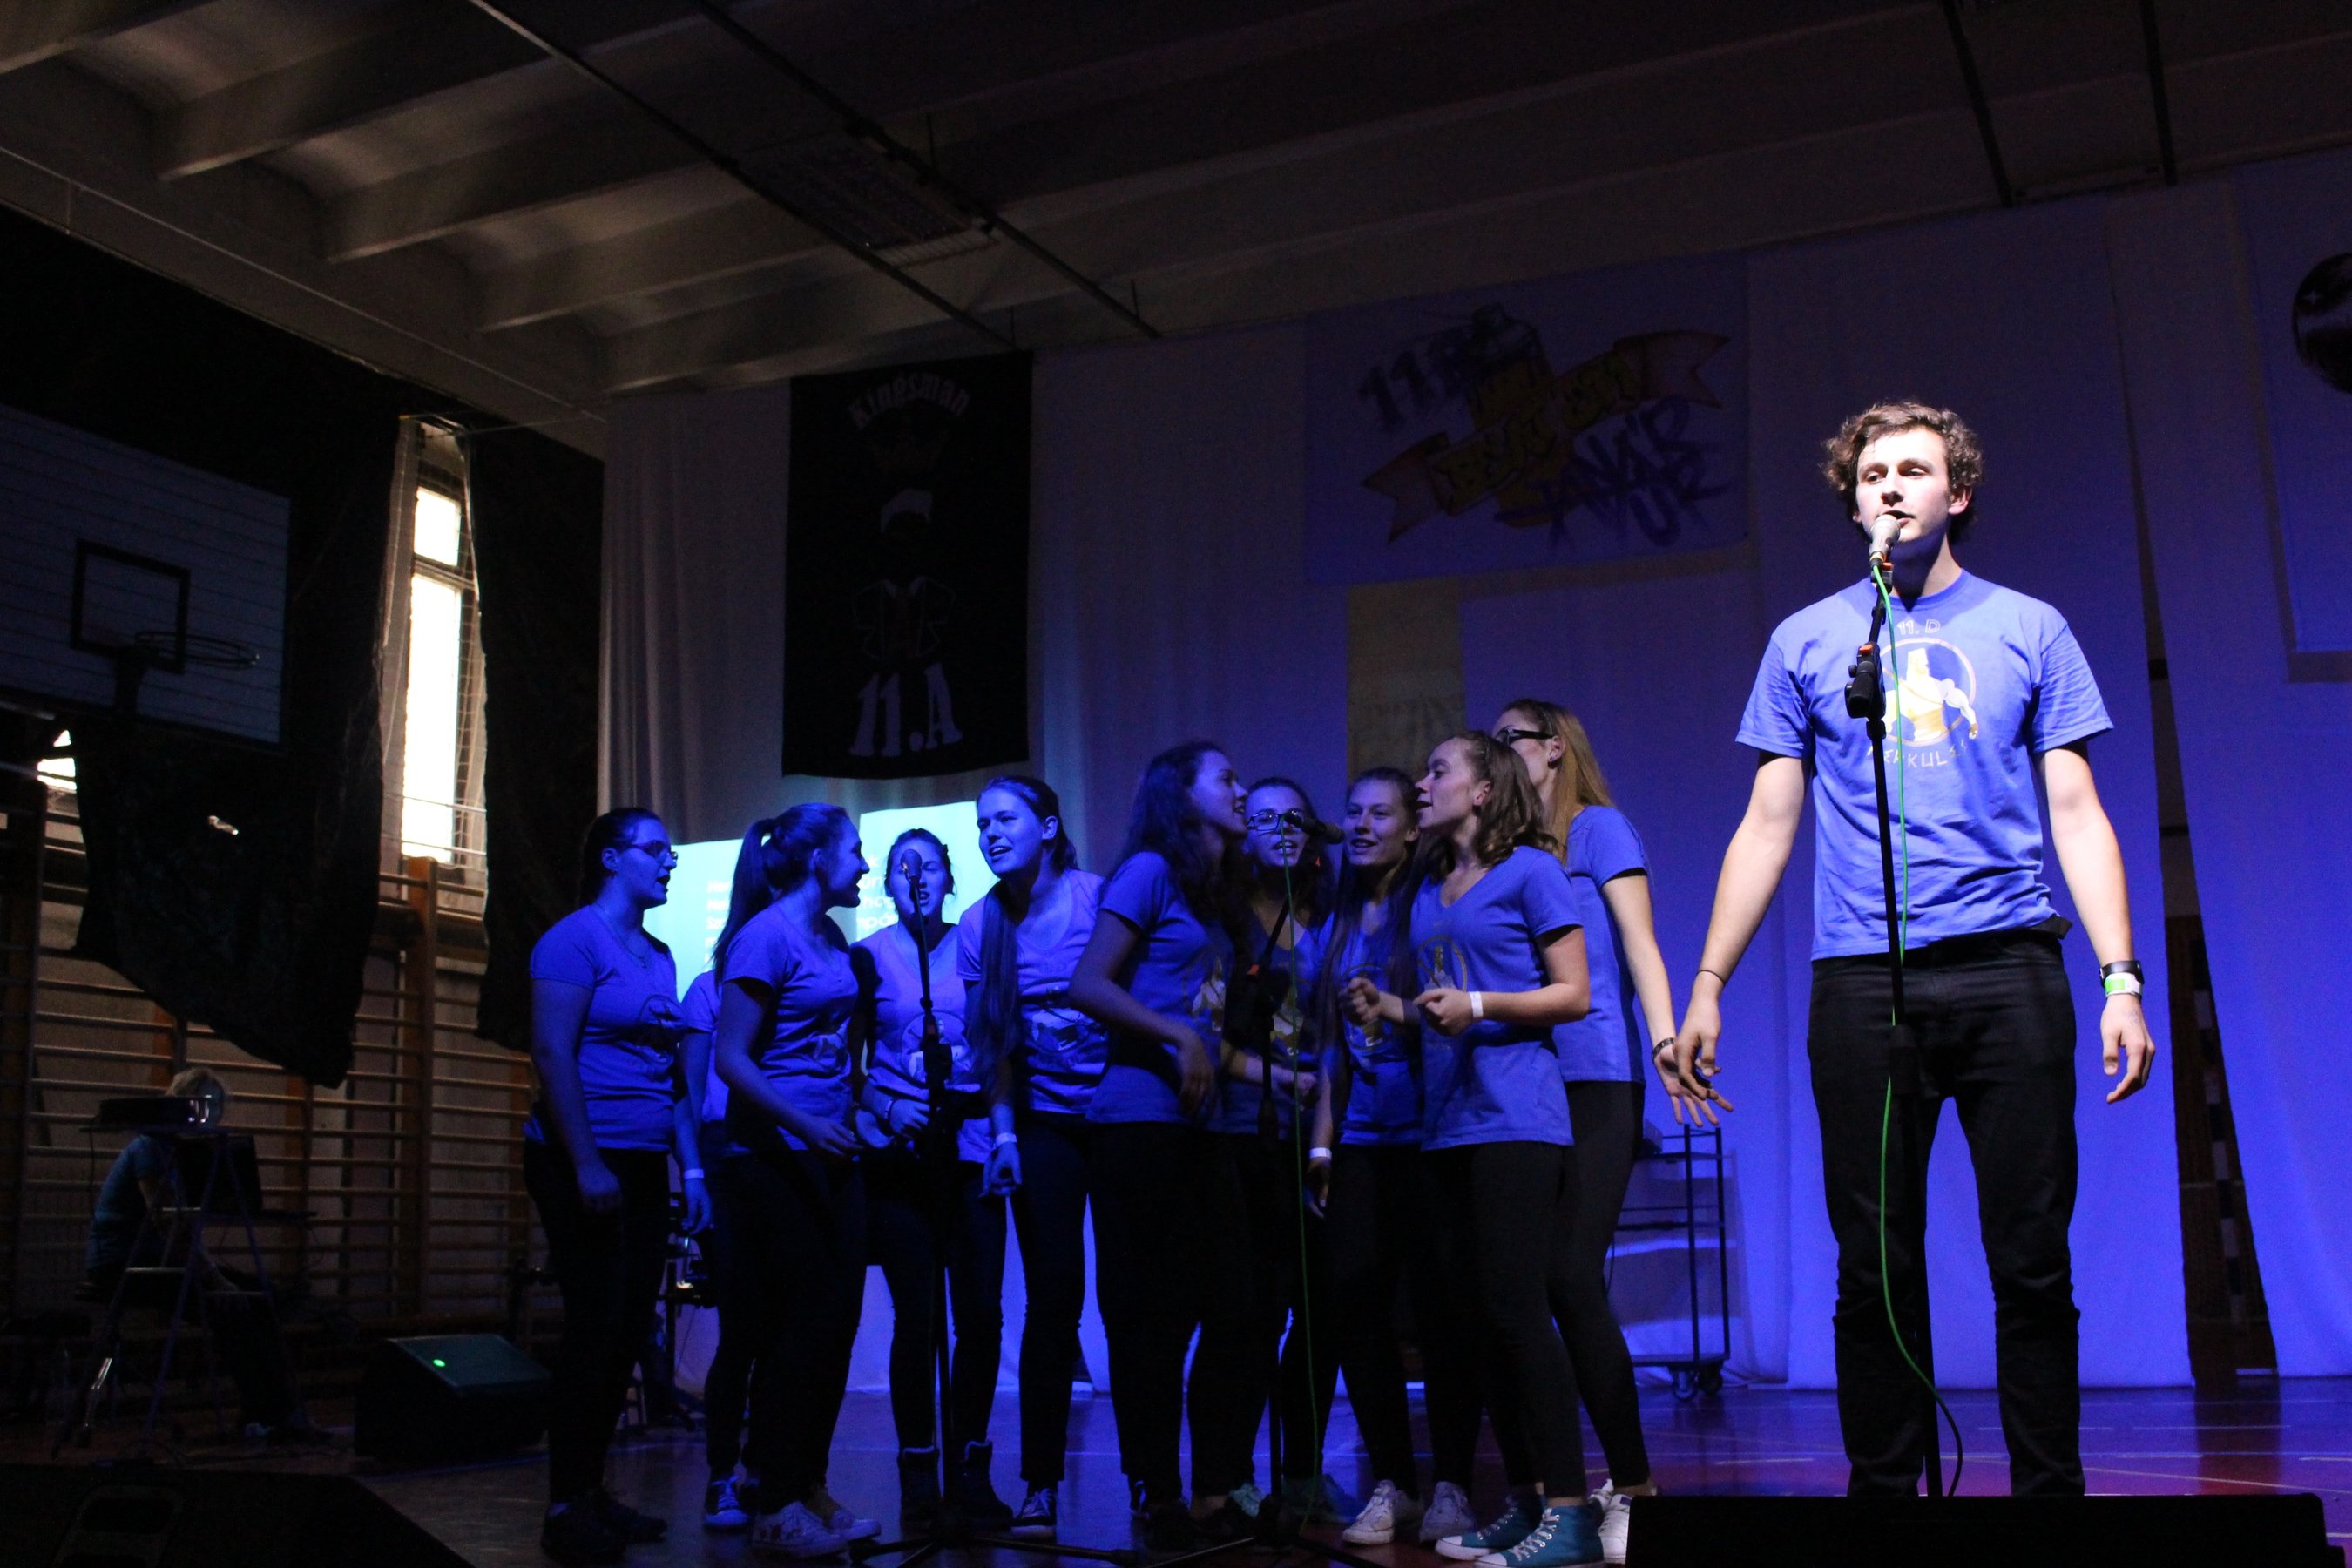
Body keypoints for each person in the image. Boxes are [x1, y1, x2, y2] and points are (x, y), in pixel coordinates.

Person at [1672, 402, 2157, 1497]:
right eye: (1871, 474)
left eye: (1914, 469)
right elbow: (1767, 824)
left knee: (2031, 1260)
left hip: (2008, 969)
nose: (1890, 486)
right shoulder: (1808, 640)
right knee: (1873, 1267)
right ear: (1853, 504)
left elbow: (2076, 811)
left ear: (1958, 494)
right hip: (1863, 982)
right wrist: (1708, 984)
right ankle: (1887, 1503)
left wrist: (2121, 977)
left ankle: (2049, 1499)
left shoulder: (2029, 626)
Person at [1348, 732, 1604, 1568]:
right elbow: (1443, 1005)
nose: (1422, 784)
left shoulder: (1531, 871)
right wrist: (1392, 1007)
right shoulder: (1429, 887)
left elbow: (1574, 993)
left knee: (1519, 1315)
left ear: (1484, 789)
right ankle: (1526, 1501)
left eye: (1438, 771)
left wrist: (1482, 1004)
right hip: (1447, 1124)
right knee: (1477, 1323)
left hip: (1517, 1121)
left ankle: (1570, 1513)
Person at [1496, 699, 1677, 1561]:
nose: (1501, 753)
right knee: (1524, 1288)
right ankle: (1544, 1494)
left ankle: (1634, 1486)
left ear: (1555, 749)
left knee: (1572, 1276)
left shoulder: (1599, 830)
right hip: (1526, 1084)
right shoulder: (1513, 853)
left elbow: (1639, 944)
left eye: (1513, 740)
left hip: (1599, 1074)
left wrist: (1668, 1039)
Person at [1066, 740, 1248, 1553]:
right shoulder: (1147, 871)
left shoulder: (1212, 893)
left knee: (1234, 1307)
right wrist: (1177, 1036)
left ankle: (1211, 1488)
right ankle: (1157, 1490)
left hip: (1202, 1125)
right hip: (1138, 1122)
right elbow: (1088, 983)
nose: (1240, 789)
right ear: (1182, 793)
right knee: (1152, 1318)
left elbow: (1207, 1020)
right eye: (1226, 778)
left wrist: (1280, 1075)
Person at [524, 808, 704, 1565]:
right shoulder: (573, 941)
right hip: (581, 1158)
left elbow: (669, 1078)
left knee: (629, 1330)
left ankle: (591, 1489)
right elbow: (552, 1053)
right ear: (611, 858)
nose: (670, 862)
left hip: (641, 1159)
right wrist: (586, 1161)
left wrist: (691, 1167)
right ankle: (565, 1504)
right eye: (655, 850)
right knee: (595, 1327)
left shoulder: (659, 955)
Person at [1309, 769, 1480, 1550]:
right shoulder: (1339, 922)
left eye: (1380, 814)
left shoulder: (1430, 906)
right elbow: (1332, 1051)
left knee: (1441, 1313)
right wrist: (1323, 1141)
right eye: (1353, 813)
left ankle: (1452, 1484)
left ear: (1413, 829)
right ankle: (1394, 1481)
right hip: (1362, 1140)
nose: (1361, 825)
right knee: (1355, 1305)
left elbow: (1452, 1014)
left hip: (1430, 1134)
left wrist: (1391, 1007)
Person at [711, 806, 877, 1558]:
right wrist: (806, 1125)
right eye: (856, 852)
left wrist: (863, 1110)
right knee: (798, 1327)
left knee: (835, 1326)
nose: (864, 867)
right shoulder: (765, 937)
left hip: (831, 1151)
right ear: (818, 859)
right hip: (775, 1158)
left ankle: (807, 1484)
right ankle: (773, 1499)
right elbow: (732, 1059)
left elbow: (834, 1052)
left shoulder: (832, 939)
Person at [957, 774, 1109, 1540]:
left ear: (1048, 827)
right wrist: (1006, 1137)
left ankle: (1153, 1486)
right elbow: (994, 1044)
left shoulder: (1097, 899)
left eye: (1005, 819)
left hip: (1116, 1118)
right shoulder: (980, 922)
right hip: (1042, 1127)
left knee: (1133, 1299)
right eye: (982, 823)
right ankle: (1040, 1486)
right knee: (1053, 1302)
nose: (990, 834)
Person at [1193, 778, 1344, 1531]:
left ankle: (1304, 1470)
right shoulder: (1224, 920)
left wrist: (1321, 1131)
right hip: (1242, 1135)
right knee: (1247, 1314)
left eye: (1294, 818)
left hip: (1315, 1137)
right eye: (1263, 818)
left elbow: (1340, 1039)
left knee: (1317, 1313)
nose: (1281, 829)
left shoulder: (1335, 919)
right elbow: (1204, 1036)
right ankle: (1228, 1476)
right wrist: (1274, 1076)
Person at [854, 829, 1013, 1530]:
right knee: (917, 1318)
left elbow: (1001, 1046)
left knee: (980, 1315)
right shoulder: (867, 958)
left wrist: (1001, 1129)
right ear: (888, 883)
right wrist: (887, 1107)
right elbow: (845, 1067)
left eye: (929, 866)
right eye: (901, 867)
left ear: (950, 878)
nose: (916, 877)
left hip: (971, 1150)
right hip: (901, 1158)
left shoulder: (977, 947)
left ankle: (971, 1469)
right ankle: (918, 1473)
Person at [83, 1066, 302, 1442]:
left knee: (257, 1297)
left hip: (159, 1263)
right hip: (123, 1265)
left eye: (215, 1107)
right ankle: (266, 1414)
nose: (209, 1115)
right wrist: (216, 1280)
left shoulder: (181, 1151)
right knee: (235, 1307)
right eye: (202, 1104)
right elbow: (170, 1223)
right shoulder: (152, 1147)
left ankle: (278, 1414)